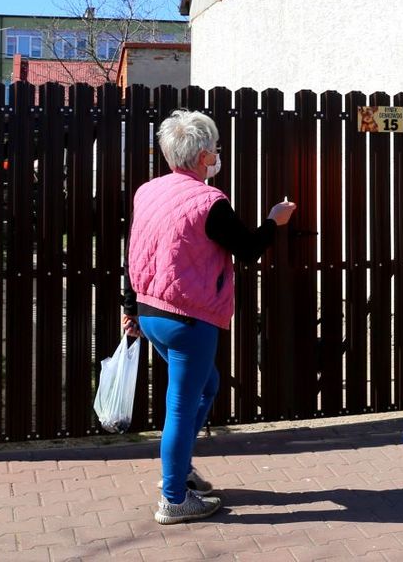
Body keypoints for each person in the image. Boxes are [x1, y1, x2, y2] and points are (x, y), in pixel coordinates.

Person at [122, 109, 296, 525]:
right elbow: (248, 248)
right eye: (215, 149)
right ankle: (173, 498)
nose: (218, 155)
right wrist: (274, 221)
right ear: (203, 156)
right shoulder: (209, 202)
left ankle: (180, 471)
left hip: (152, 312)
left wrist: (129, 308)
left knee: (207, 386)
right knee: (180, 408)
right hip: (188, 318)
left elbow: (134, 249)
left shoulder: (148, 191)